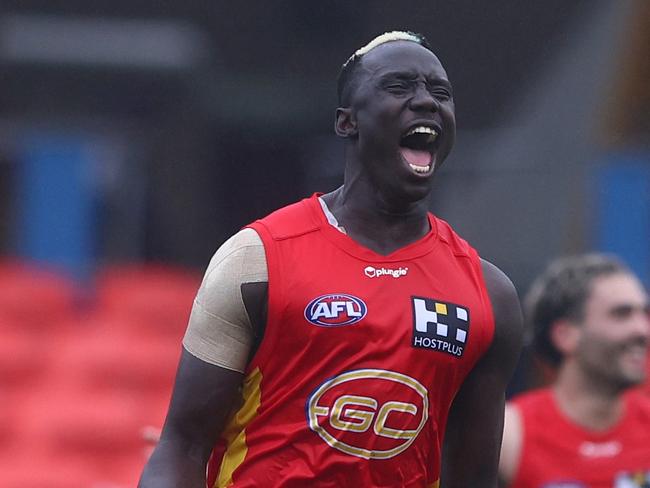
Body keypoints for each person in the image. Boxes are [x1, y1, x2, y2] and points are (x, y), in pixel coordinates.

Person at [139, 30, 522, 488]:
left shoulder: (488, 295)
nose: (426, 102)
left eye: (440, 93)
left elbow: (474, 479)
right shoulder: (256, 260)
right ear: (347, 122)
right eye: (399, 87)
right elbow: (181, 445)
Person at [499, 254, 650, 488]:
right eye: (622, 314)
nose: (643, 330)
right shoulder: (509, 435)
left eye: (644, 314)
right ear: (565, 335)